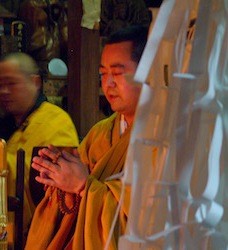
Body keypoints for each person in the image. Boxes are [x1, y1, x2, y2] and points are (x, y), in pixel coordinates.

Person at [25, 25, 148, 249]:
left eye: (118, 73)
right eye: (103, 74)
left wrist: (83, 186)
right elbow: (72, 210)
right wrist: (62, 184)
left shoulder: (165, 138)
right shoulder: (99, 134)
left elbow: (150, 220)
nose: (108, 83)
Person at [0, 52, 79, 238]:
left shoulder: (56, 122)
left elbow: (53, 191)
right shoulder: (18, 124)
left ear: (36, 83)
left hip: (43, 233)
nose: (4, 91)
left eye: (11, 83)